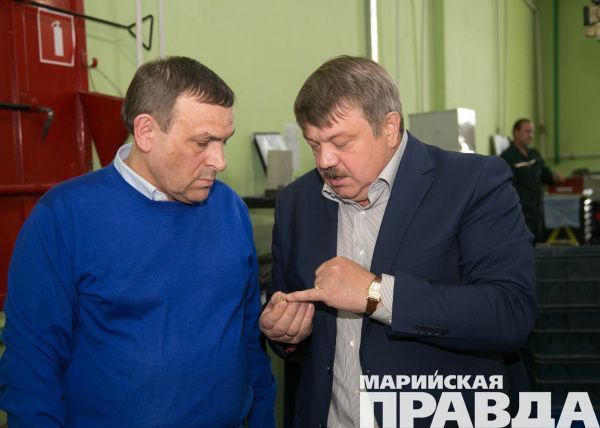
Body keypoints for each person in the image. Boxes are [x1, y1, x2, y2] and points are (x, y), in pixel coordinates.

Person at [259, 56, 536, 427]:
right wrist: (287, 333)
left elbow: (509, 314)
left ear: (389, 127)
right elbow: (292, 315)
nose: (325, 161)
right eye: (314, 144)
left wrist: (374, 294)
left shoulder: (472, 184)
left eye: (341, 142)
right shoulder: (297, 201)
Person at [0, 56, 275, 427]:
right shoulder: (64, 217)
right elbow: (31, 368)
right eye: (203, 142)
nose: (220, 161)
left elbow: (249, 340)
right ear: (146, 132)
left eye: (224, 141)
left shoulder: (230, 210)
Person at [501, 118, 564, 242]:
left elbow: (544, 173)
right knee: (524, 246)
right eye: (527, 131)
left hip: (537, 212)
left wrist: (554, 176)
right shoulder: (507, 157)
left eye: (532, 132)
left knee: (539, 244)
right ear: (516, 133)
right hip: (520, 215)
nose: (531, 135)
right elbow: (506, 188)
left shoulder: (534, 154)